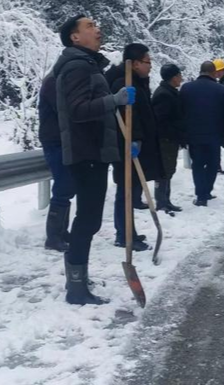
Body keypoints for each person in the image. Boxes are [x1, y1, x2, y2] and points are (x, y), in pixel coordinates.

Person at [53, 15, 135, 305]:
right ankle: (76, 287)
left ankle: (78, 277)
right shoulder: (77, 66)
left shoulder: (86, 65)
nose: (97, 29)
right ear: (75, 37)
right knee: (87, 220)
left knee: (88, 220)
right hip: (87, 152)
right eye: (89, 26)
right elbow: (77, 110)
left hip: (93, 151)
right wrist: (115, 99)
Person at [108, 44, 163, 251]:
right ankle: (124, 234)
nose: (150, 66)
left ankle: (126, 231)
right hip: (125, 147)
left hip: (134, 146)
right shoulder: (123, 83)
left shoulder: (138, 82)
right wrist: (134, 139)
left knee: (128, 190)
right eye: (148, 62)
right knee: (125, 191)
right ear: (136, 63)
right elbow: (124, 117)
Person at [180, 61, 224, 206]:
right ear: (213, 73)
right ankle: (207, 191)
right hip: (214, 135)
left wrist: (183, 133)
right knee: (212, 164)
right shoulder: (221, 90)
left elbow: (180, 112)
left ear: (200, 71)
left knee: (197, 165)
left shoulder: (186, 88)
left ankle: (200, 195)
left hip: (194, 135)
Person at [38, 72, 76, 252]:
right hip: (54, 141)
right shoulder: (53, 82)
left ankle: (61, 231)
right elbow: (64, 110)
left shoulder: (58, 80)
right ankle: (53, 236)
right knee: (63, 187)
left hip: (62, 140)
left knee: (67, 187)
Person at [152, 63, 186, 213]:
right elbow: (161, 120)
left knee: (168, 170)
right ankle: (161, 202)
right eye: (179, 75)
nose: (181, 78)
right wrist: (173, 133)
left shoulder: (170, 92)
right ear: (173, 78)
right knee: (164, 172)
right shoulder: (164, 95)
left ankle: (166, 200)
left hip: (170, 139)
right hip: (165, 140)